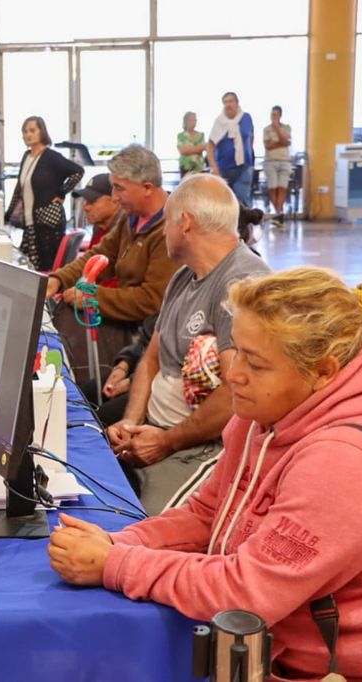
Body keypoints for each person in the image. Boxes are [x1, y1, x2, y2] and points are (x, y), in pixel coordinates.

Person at [49, 267, 362, 681]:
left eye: (256, 363)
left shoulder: (346, 461)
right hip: (299, 657)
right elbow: (207, 515)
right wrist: (117, 542)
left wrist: (117, 564)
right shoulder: (264, 414)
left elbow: (246, 594)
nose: (233, 374)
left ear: (323, 371)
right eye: (237, 351)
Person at [105, 174, 270, 514]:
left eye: (166, 222)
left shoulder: (242, 284)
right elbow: (151, 359)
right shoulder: (183, 276)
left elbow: (236, 393)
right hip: (158, 431)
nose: (163, 231)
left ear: (185, 223)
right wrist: (130, 422)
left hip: (201, 447)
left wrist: (166, 442)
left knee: (140, 527)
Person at [46, 146, 179, 385]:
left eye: (119, 188)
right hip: (125, 324)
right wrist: (58, 279)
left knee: (68, 326)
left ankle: (67, 392)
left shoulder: (169, 229)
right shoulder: (132, 218)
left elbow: (153, 301)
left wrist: (93, 297)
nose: (114, 197)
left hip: (142, 336)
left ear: (147, 188)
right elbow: (101, 255)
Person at [5, 116, 84, 271]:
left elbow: (78, 171)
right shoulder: (26, 156)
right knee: (27, 266)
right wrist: (7, 216)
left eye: (32, 130)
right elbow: (19, 189)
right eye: (25, 131)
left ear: (42, 132)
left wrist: (62, 193)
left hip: (48, 221)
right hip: (30, 222)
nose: (28, 134)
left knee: (45, 267)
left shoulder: (51, 157)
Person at [208, 92, 255, 207]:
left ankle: (243, 219)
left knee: (242, 201)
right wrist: (213, 167)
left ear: (237, 103)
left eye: (230, 101)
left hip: (244, 167)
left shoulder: (246, 118)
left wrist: (248, 155)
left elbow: (251, 137)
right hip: (223, 169)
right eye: (225, 102)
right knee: (224, 203)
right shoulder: (219, 122)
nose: (228, 104)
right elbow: (210, 146)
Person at [71, 173, 119, 248]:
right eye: (86, 201)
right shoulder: (98, 227)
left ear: (115, 201)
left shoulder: (125, 234)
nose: (85, 207)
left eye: (92, 201)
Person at [262, 105, 292, 219]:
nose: (273, 117)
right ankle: (279, 213)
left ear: (280, 115)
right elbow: (268, 146)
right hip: (270, 162)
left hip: (285, 161)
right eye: (272, 114)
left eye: (275, 114)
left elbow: (287, 142)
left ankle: (278, 215)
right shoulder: (266, 129)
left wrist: (277, 130)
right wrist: (281, 143)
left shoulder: (286, 128)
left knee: (282, 188)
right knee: (273, 188)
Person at [176, 111, 207, 178]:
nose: (193, 122)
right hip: (185, 167)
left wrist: (189, 149)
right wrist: (197, 148)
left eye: (195, 120)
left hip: (199, 168)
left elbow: (203, 148)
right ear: (186, 121)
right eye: (191, 120)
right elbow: (182, 151)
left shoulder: (201, 135)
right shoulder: (181, 136)